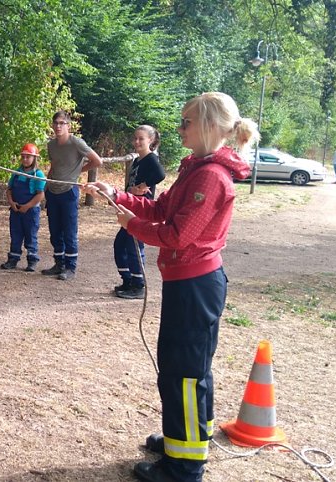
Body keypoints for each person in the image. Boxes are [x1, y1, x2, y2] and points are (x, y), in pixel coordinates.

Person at [84, 92, 258, 482]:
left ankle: (185, 467)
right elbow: (163, 210)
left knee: (183, 372)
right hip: (189, 285)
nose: (179, 128)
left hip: (196, 287)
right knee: (187, 369)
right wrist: (119, 196)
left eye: (186, 122)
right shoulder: (198, 167)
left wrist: (131, 225)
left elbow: (179, 235)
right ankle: (188, 439)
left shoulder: (211, 177)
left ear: (210, 126)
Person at [41, 111, 104, 281]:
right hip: (53, 191)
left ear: (69, 126)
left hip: (69, 191)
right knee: (55, 230)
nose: (58, 126)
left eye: (62, 123)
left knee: (69, 230)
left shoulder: (76, 143)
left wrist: (77, 171)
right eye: (56, 123)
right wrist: (46, 185)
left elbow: (97, 161)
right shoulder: (51, 145)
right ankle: (59, 263)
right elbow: (54, 165)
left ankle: (70, 266)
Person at [114, 126, 166, 300]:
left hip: (142, 210)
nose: (137, 142)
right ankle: (127, 279)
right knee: (120, 245)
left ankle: (139, 284)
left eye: (141, 139)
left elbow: (160, 174)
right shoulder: (137, 161)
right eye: (135, 138)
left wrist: (143, 186)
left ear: (150, 140)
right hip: (131, 207)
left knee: (134, 246)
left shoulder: (151, 159)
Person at [0, 143, 47, 272]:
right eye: (23, 157)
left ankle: (32, 260)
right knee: (15, 235)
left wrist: (27, 206)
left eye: (28, 157)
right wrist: (11, 202)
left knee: (30, 236)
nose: (25, 159)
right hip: (15, 210)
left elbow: (40, 194)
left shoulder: (38, 175)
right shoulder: (16, 173)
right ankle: (13, 259)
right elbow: (9, 190)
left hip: (31, 211)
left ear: (34, 158)